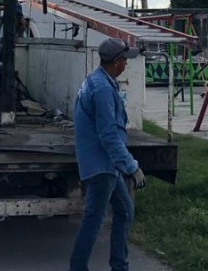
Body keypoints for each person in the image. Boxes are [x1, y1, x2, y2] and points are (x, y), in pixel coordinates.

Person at [69, 38, 147, 271]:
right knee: (93, 220)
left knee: (124, 210)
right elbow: (108, 136)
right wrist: (132, 167)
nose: (126, 65)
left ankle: (119, 266)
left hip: (104, 164)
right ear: (115, 62)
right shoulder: (102, 89)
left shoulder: (96, 80)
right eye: (124, 60)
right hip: (102, 165)